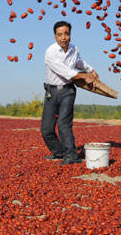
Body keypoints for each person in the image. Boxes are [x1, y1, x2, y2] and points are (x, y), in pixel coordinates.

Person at [41, 21, 98, 165]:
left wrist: (90, 70)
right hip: (52, 91)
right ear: (55, 36)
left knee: (64, 124)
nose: (63, 38)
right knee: (46, 129)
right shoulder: (50, 52)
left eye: (66, 34)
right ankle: (60, 152)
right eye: (60, 35)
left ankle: (71, 156)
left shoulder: (74, 49)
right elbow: (66, 72)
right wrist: (84, 76)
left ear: (70, 35)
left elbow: (79, 63)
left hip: (68, 91)